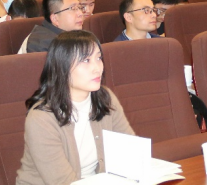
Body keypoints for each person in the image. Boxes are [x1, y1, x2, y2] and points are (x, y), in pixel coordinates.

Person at [17, 30, 134, 185]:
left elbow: (130, 152)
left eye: (98, 58)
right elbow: (62, 182)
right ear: (62, 67)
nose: (97, 68)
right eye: (86, 60)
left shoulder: (105, 98)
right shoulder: (42, 118)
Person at [21, 0, 87, 54]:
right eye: (73, 8)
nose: (80, 14)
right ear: (55, 19)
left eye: (80, 7)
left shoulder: (70, 34)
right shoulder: (41, 45)